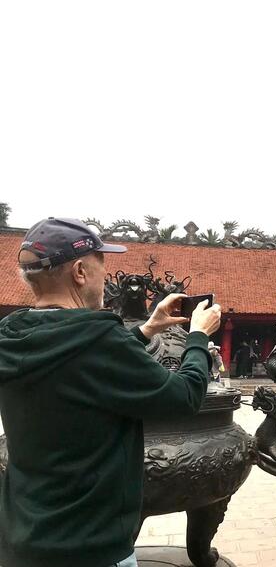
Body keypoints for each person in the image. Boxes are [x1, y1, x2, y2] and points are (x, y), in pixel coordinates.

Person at [0, 217, 221, 567]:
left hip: (22, 540)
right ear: (80, 271)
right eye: (102, 264)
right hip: (92, 547)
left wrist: (146, 329)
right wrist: (198, 338)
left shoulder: (12, 335)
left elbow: (79, 366)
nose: (105, 277)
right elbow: (185, 396)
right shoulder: (100, 340)